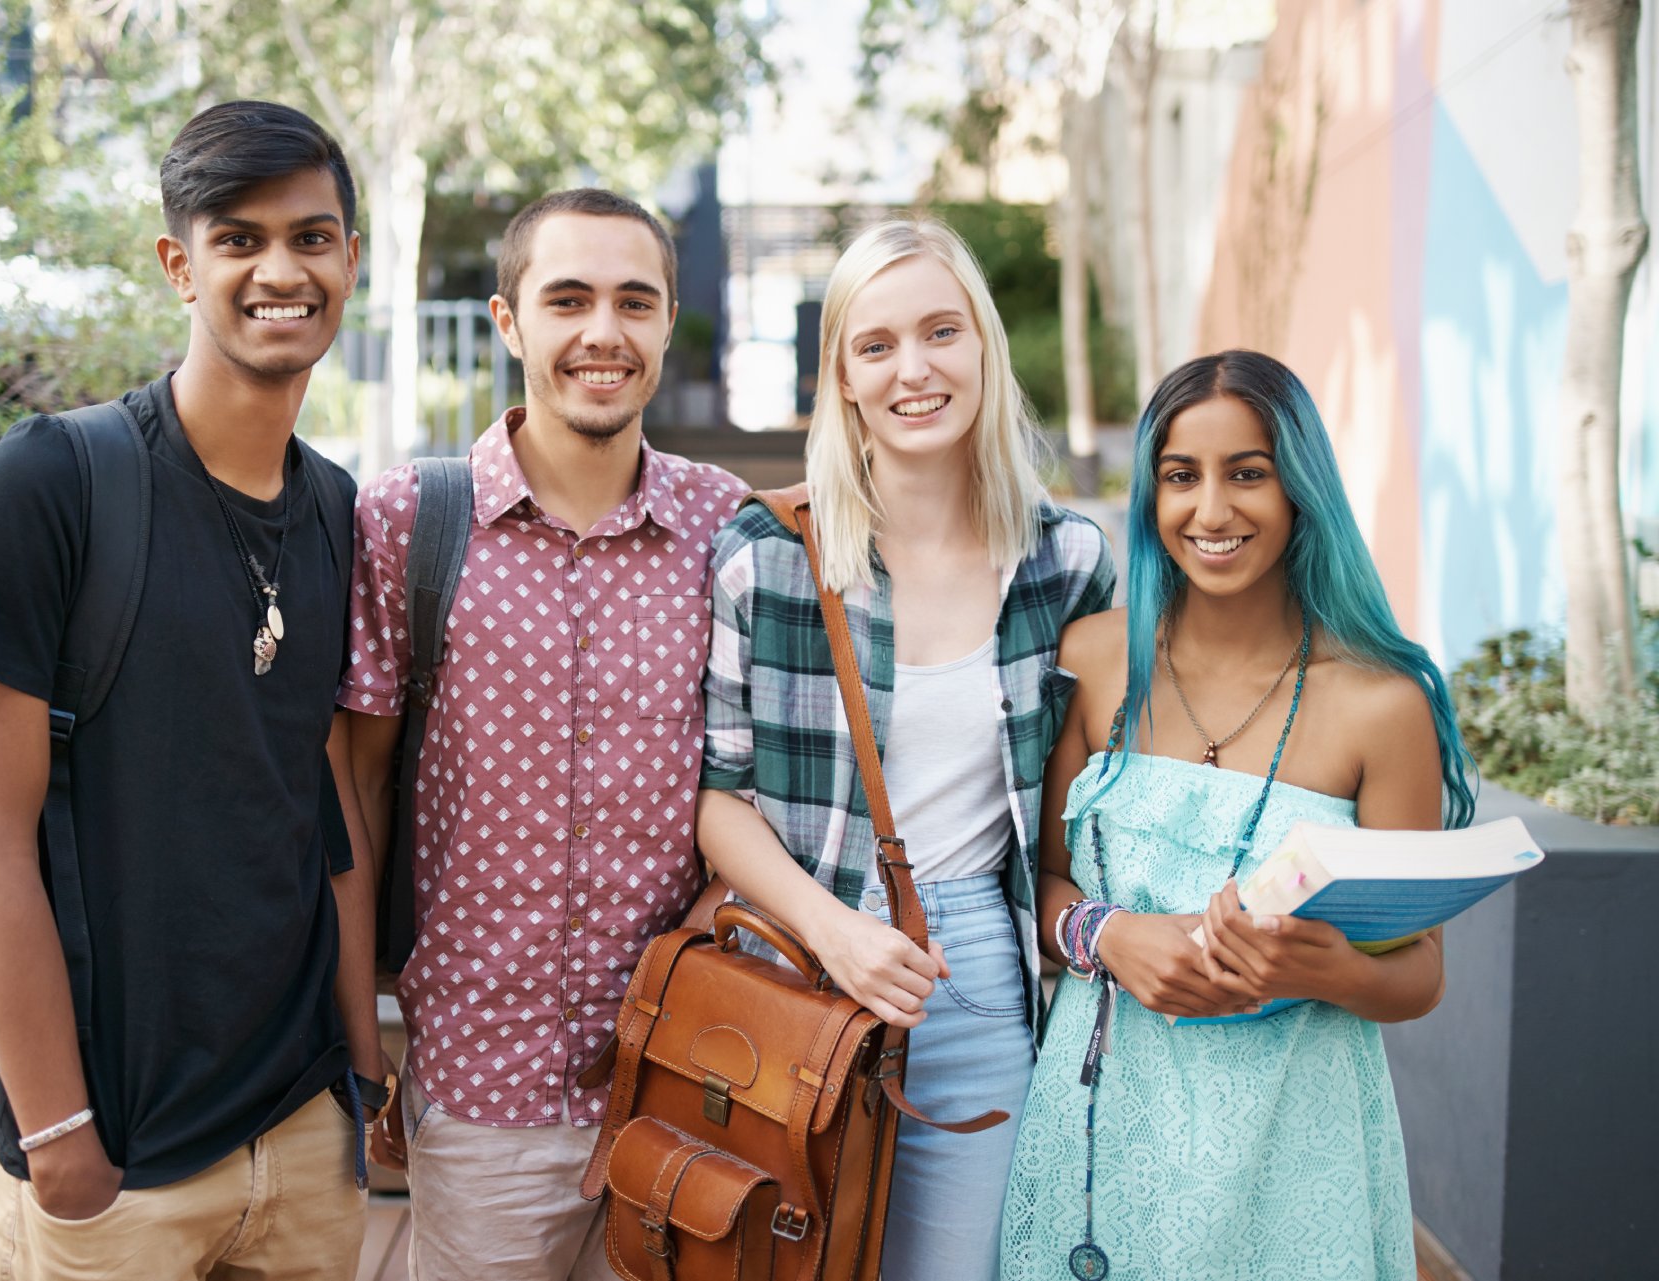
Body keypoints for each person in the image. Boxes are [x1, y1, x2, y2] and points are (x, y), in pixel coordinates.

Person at [0, 101, 388, 1280]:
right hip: (114, 1165)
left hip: (300, 1133)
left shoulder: (336, 508)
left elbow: (320, 803)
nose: (281, 269)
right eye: (239, 238)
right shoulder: (47, 485)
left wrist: (358, 1072)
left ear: (348, 262)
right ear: (181, 264)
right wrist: (63, 1145)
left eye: (312, 237)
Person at [336, 188, 748, 1280]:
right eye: (567, 300)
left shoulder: (728, 529)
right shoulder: (409, 522)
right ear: (510, 321)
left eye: (633, 301)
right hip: (481, 1090)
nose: (601, 333)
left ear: (667, 324)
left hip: (686, 1090)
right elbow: (355, 794)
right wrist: (361, 1035)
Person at [695, 217, 1116, 1280]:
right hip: (798, 958)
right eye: (876, 345)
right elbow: (718, 798)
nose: (914, 369)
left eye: (942, 331)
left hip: (975, 958)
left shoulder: (1067, 563)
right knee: (782, 1262)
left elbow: (1098, 786)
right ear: (840, 376)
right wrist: (834, 931)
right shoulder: (768, 557)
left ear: (984, 345)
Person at [999, 350, 1479, 1280]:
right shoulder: (1096, 659)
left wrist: (1331, 967)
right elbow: (1041, 878)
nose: (1211, 511)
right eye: (1181, 476)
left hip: (1296, 1146)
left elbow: (1421, 974)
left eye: (1247, 473)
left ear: (1300, 490)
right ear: (1151, 496)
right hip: (1101, 1132)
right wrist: (1109, 935)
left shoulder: (1383, 704)